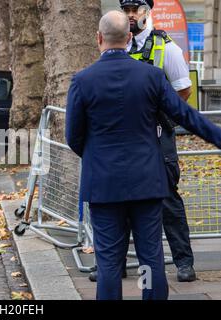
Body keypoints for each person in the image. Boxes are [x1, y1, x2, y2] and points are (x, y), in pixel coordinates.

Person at [66, 11, 221, 300]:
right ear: (128, 39)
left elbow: (73, 136)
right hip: (147, 181)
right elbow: (186, 116)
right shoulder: (151, 76)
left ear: (99, 38)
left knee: (110, 263)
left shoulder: (83, 81)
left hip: (103, 184)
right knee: (151, 260)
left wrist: (98, 158)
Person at [89, 0, 196, 283]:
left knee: (167, 200)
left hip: (158, 135)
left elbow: (183, 88)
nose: (131, 15)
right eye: (126, 10)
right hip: (125, 136)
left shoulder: (166, 47)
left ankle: (184, 262)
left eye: (136, 9)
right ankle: (113, 265)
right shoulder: (116, 45)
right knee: (120, 200)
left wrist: (160, 113)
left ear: (148, 12)